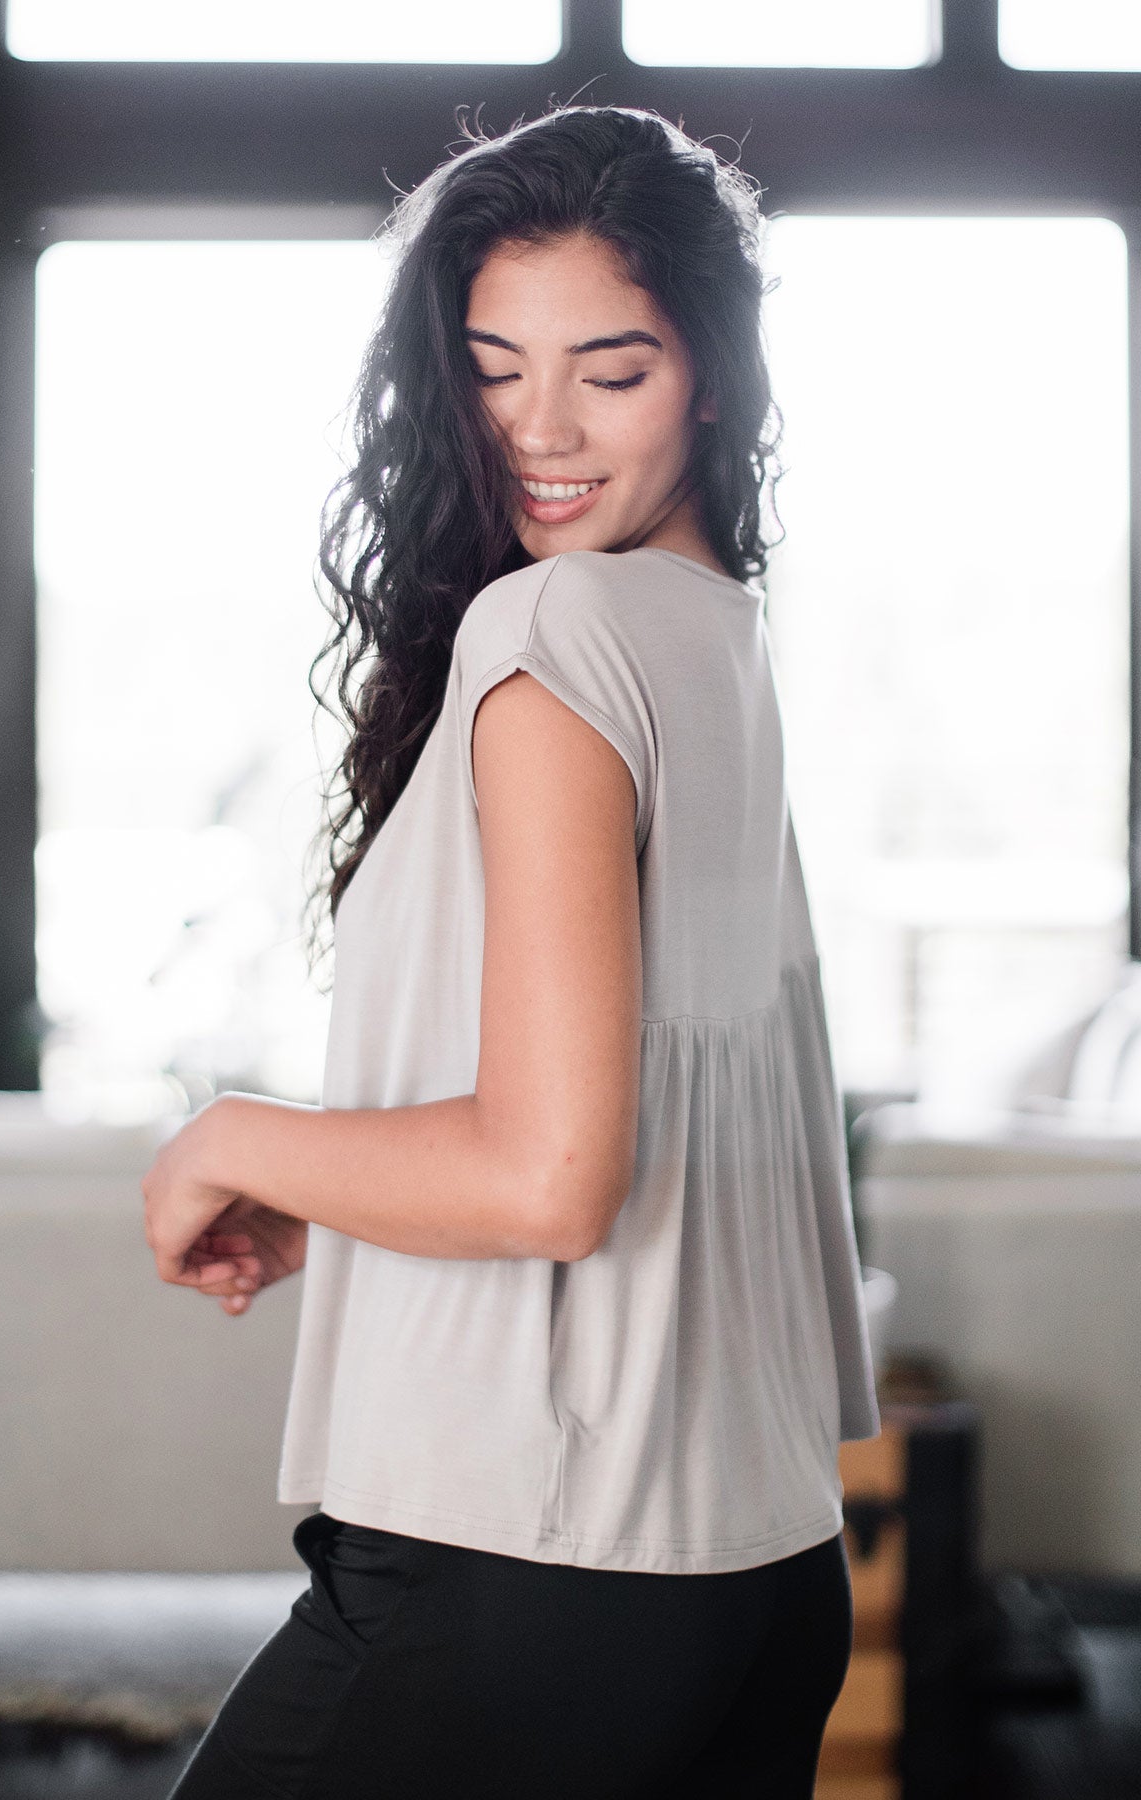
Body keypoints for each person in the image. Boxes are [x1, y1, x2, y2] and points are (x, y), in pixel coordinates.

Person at [144, 102, 882, 1799]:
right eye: (494, 366)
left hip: (530, 1564)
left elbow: (555, 1180)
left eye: (608, 372)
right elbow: (650, 1115)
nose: (539, 430)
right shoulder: (719, 644)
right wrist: (344, 1189)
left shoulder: (553, 626)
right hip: (757, 1574)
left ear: (711, 371)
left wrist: (232, 1136)